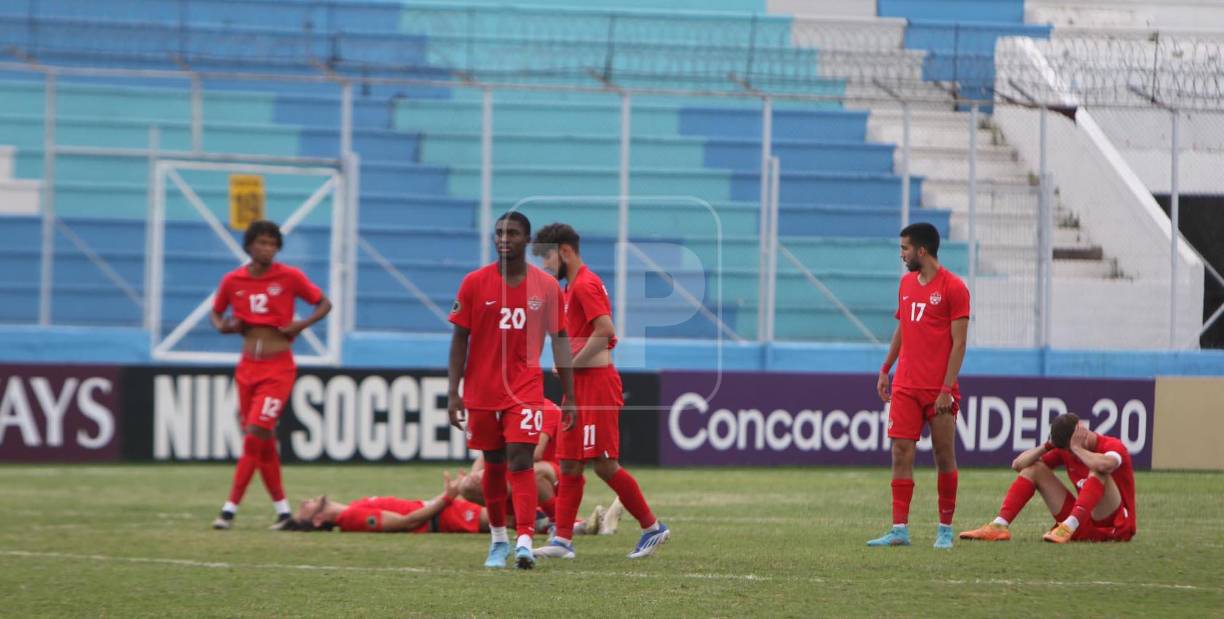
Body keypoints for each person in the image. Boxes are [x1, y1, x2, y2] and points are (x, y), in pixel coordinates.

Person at [529, 223, 669, 561]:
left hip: (597, 386)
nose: (545, 266)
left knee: (604, 464)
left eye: (547, 257)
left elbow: (605, 331)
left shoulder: (585, 285)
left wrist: (572, 363)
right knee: (570, 465)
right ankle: (562, 540)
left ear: (565, 251)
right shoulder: (570, 288)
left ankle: (652, 527)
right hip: (578, 388)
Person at [447, 211, 578, 569]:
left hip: (525, 389)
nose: (504, 238)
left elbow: (560, 341)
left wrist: (569, 395)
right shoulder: (474, 283)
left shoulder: (547, 287)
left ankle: (523, 539)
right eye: (499, 233)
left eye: (513, 233)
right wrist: (453, 392)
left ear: (526, 239)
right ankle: (499, 540)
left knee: (520, 459)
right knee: (492, 462)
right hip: (482, 390)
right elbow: (460, 339)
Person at [210, 220, 331, 530]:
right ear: (249, 246)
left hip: (278, 368)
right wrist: (223, 326)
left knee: (254, 434)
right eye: (261, 243)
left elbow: (323, 303)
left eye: (272, 244)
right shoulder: (233, 280)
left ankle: (228, 510)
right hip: (247, 367)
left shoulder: (289, 277)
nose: (267, 249)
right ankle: (282, 512)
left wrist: (300, 325)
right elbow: (216, 312)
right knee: (263, 441)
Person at [869, 222, 969, 549]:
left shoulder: (954, 288)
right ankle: (899, 529)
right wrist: (886, 368)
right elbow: (903, 328)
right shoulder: (906, 284)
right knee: (900, 452)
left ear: (921, 251)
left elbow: (959, 344)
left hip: (938, 389)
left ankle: (944, 530)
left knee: (944, 455)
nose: (902, 255)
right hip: (905, 386)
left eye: (905, 249)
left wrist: (946, 388)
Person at [959, 413, 1137, 543]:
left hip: (1115, 527)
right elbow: (1018, 465)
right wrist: (1047, 445)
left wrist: (1077, 449)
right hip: (1083, 522)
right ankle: (999, 526)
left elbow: (1105, 465)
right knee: (1034, 468)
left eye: (1069, 448)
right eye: (1067, 449)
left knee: (1098, 469)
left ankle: (1068, 527)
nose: (1068, 453)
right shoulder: (1066, 450)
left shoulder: (1112, 445)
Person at [286, 471, 488, 533]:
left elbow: (418, 507)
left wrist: (448, 493)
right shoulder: (350, 518)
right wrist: (447, 498)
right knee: (508, 517)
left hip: (445, 509)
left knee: (481, 476)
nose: (305, 502)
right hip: (448, 517)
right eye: (304, 508)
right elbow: (406, 522)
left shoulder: (354, 506)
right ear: (317, 521)